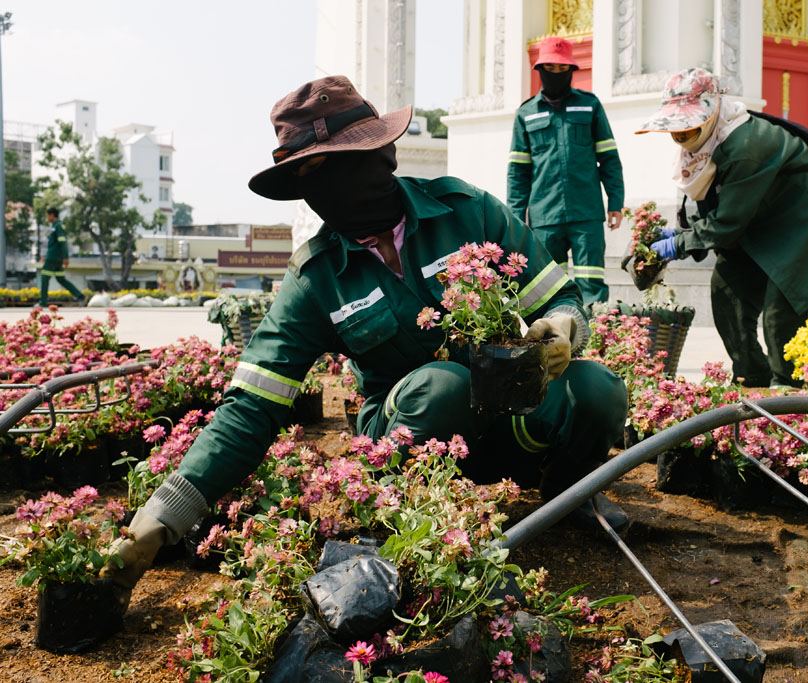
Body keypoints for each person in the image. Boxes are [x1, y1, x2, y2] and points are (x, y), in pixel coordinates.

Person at [102, 75, 629, 599]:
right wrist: (161, 517)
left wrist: (563, 327)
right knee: (440, 386)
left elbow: (558, 298)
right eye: (356, 160)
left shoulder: (465, 212)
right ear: (313, 185)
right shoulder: (316, 279)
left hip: (510, 419)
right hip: (414, 434)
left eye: (380, 148)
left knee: (597, 387)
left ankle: (566, 495)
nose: (385, 165)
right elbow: (251, 407)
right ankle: (420, 525)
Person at [636, 68, 808, 388]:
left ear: (712, 110)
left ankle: (793, 394)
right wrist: (679, 234)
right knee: (727, 292)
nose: (681, 133)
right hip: (757, 217)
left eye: (687, 124)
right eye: (676, 126)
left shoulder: (744, 145)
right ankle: (753, 377)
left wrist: (678, 245)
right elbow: (717, 209)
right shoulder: (698, 151)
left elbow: (727, 223)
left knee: (784, 312)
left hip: (805, 218)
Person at [507, 36, 625, 306]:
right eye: (551, 69)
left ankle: (595, 342)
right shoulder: (526, 114)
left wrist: (616, 202)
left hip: (587, 213)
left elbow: (609, 158)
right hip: (544, 216)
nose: (557, 74)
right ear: (540, 71)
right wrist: (515, 217)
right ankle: (558, 341)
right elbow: (518, 173)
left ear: (572, 71)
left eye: (563, 70)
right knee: (551, 286)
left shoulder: (590, 105)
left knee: (591, 282)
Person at [38, 208, 85, 307]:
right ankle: (80, 296)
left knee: (44, 277)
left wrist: (65, 257)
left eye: (48, 216)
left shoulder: (58, 227)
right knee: (61, 279)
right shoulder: (55, 227)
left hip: (53, 258)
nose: (47, 218)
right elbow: (53, 245)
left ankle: (43, 302)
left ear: (52, 215)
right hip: (55, 257)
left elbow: (63, 243)